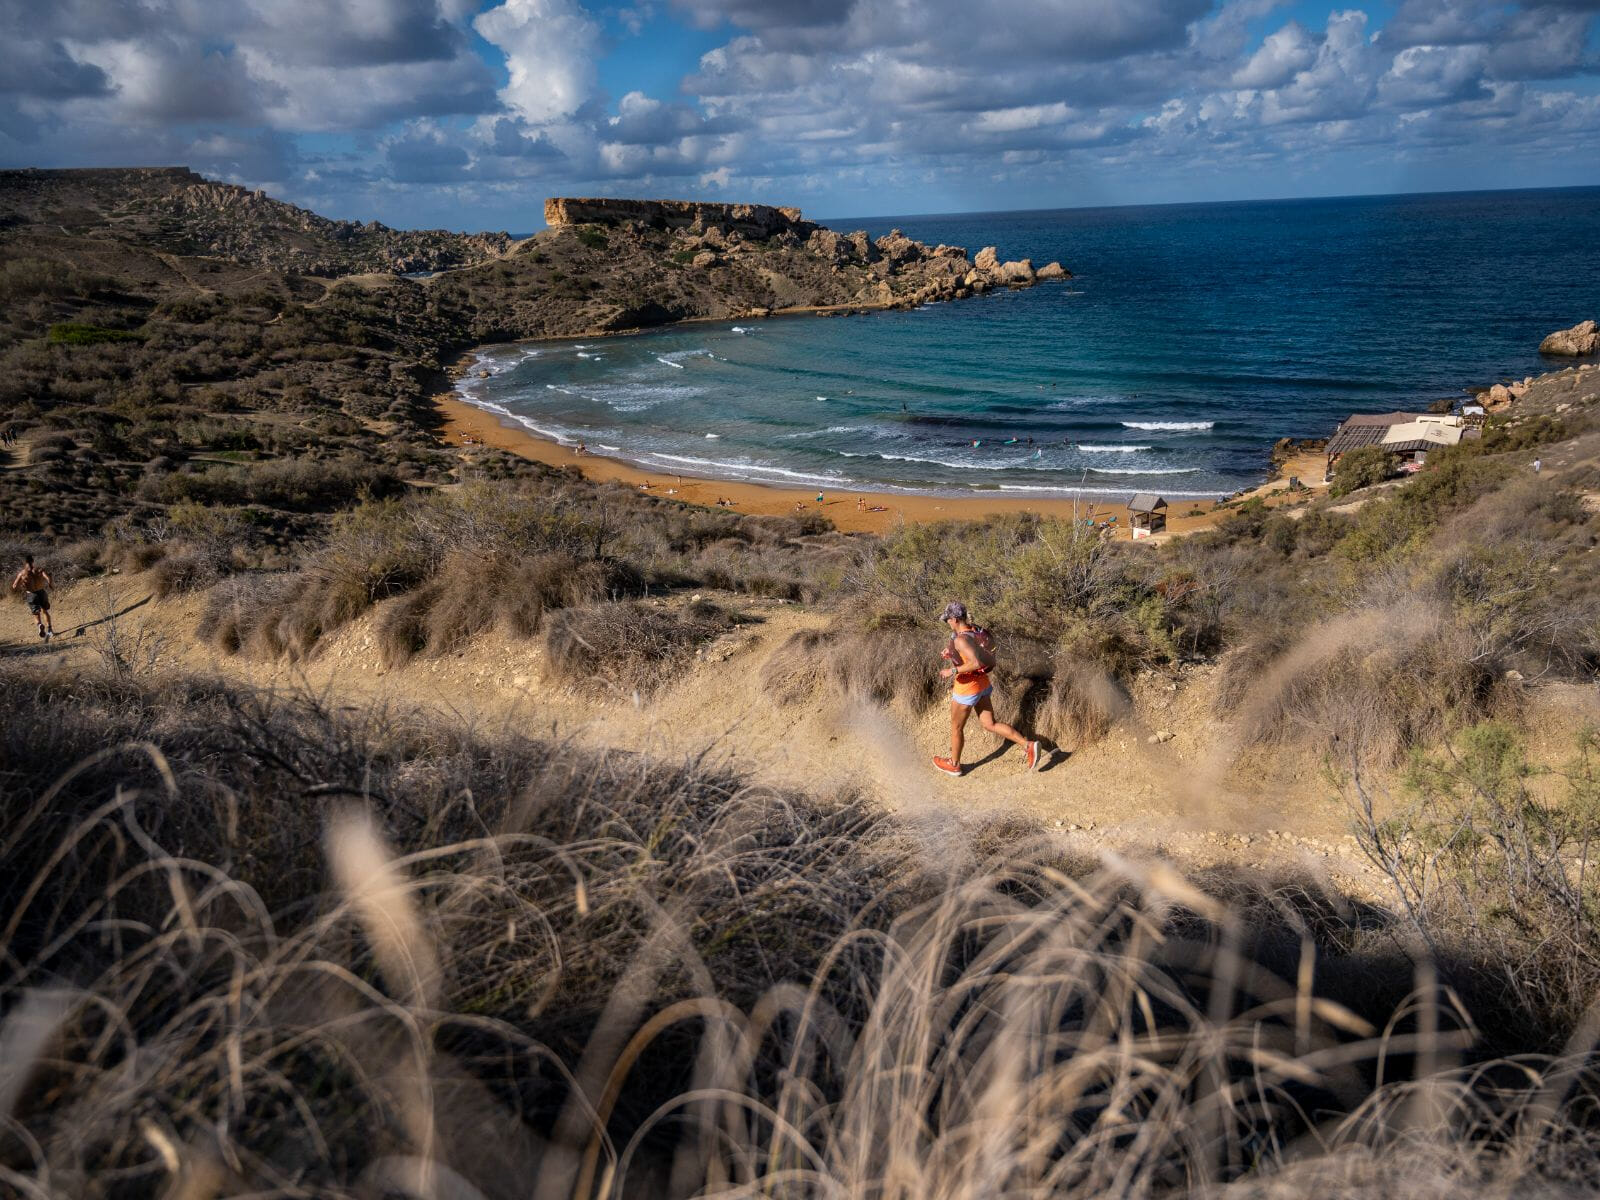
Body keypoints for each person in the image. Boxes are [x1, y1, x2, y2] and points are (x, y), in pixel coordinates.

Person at [932, 602, 1041, 776]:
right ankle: (1028, 745)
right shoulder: (974, 630)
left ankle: (954, 764)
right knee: (990, 724)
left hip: (967, 689)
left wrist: (951, 671)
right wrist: (952, 653)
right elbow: (972, 651)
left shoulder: (960, 639)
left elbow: (975, 662)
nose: (947, 623)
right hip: (982, 685)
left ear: (955, 619)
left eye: (948, 620)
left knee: (956, 728)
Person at [11, 554, 55, 640]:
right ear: (33, 561)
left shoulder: (22, 573)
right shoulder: (39, 570)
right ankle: (50, 630)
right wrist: (50, 585)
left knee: (36, 613)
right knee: (45, 611)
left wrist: (22, 584)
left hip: (31, 594)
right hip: (41, 592)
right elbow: (48, 578)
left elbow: (14, 586)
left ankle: (39, 625)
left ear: (25, 562)